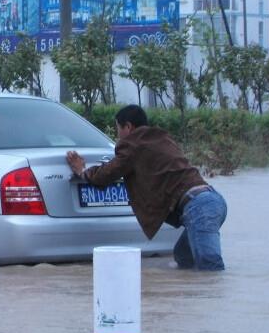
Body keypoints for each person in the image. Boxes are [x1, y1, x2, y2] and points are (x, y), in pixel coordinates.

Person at [66, 105, 227, 271]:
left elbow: (107, 174)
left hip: (199, 208)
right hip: (213, 201)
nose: (118, 135)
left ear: (128, 127)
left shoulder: (133, 144)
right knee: (183, 257)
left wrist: (83, 171)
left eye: (118, 129)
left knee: (210, 267)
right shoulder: (163, 138)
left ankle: (216, 296)